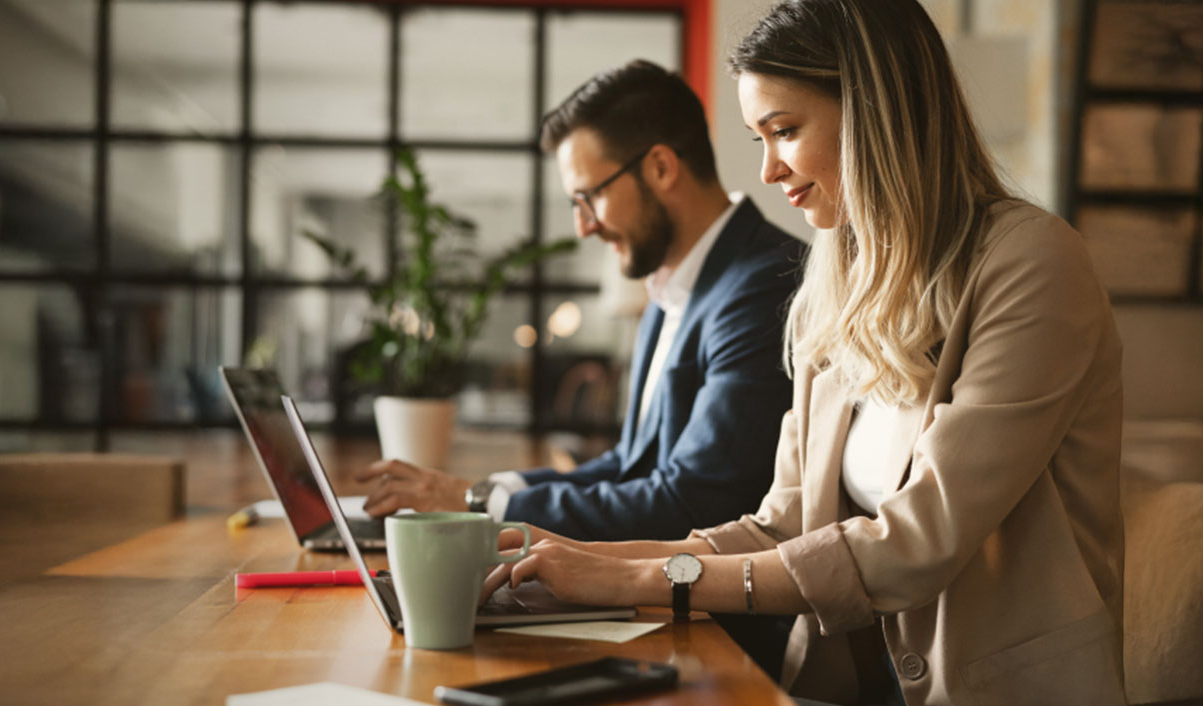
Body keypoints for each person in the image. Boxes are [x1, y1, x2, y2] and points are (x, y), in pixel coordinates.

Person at [479, 2, 1127, 705]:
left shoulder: (1033, 263)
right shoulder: (835, 275)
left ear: (879, 110)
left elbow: (917, 543)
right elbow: (779, 525)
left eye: (784, 131)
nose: (766, 170)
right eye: (760, 137)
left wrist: (635, 579)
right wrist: (578, 561)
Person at [357, 60, 806, 546]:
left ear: (660, 167)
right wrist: (482, 491)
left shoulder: (765, 285)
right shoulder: (668, 289)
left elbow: (692, 501)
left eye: (588, 197)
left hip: (710, 615)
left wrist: (475, 503)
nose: (583, 226)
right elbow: (630, 465)